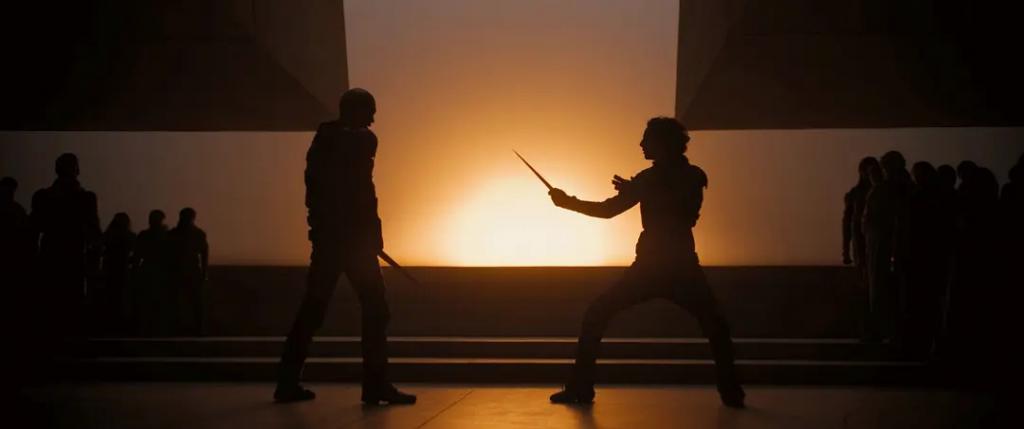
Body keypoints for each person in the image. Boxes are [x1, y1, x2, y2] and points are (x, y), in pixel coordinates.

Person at [545, 117, 744, 408]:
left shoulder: (666, 179)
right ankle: (732, 392)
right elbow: (665, 206)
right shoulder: (677, 177)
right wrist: (636, 188)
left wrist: (570, 202)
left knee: (597, 314)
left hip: (656, 267)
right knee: (716, 326)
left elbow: (615, 210)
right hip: (677, 265)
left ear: (662, 143)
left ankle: (580, 387)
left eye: (647, 139)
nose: (641, 144)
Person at [275, 88, 415, 405]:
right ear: (354, 110)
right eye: (370, 111)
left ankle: (369, 384)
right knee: (330, 310)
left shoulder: (353, 140)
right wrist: (351, 233)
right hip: (340, 243)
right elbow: (334, 191)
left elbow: (364, 191)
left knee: (357, 310)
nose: (373, 118)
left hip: (350, 243)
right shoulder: (338, 141)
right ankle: (368, 385)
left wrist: (371, 234)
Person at [30, 153, 101, 336]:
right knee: (69, 303)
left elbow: (33, 229)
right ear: (77, 170)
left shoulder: (43, 196)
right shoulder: (85, 198)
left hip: (54, 254)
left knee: (53, 303)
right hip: (71, 254)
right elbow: (94, 232)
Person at [169, 207, 208, 335]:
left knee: (185, 302)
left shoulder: (174, 234)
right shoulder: (198, 234)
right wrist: (204, 273)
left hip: (181, 271)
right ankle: (197, 328)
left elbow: (204, 254)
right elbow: (204, 255)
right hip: (186, 271)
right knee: (192, 302)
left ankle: (190, 328)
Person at [133, 210, 172, 335]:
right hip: (160, 271)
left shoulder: (144, 235)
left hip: (150, 270)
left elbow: (137, 255)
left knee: (148, 302)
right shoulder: (166, 235)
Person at [100, 212, 135, 334]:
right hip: (121, 269)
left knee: (112, 296)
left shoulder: (108, 235)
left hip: (111, 268)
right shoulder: (129, 236)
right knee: (121, 296)